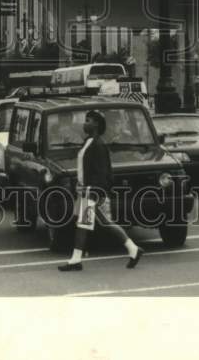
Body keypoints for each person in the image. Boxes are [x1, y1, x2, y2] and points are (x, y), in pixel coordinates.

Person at [58, 109, 142, 272]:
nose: (84, 123)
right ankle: (76, 260)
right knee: (84, 225)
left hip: (94, 192)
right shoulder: (89, 142)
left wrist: (94, 191)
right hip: (87, 191)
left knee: (105, 223)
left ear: (96, 124)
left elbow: (103, 172)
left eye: (88, 120)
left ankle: (133, 249)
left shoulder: (98, 145)